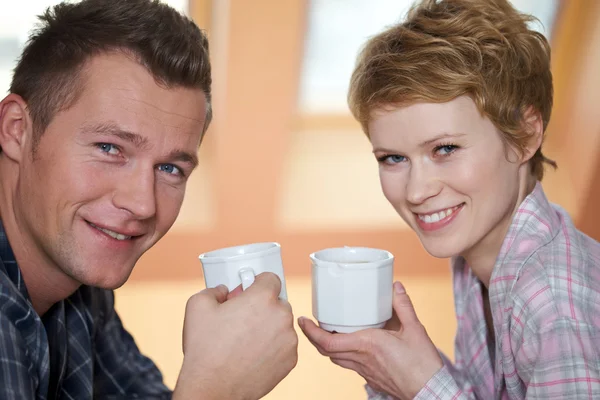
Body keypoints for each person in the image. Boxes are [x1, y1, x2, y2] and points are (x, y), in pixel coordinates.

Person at [299, 0, 600, 398]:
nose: (417, 191)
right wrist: (394, 361)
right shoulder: (486, 259)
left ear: (525, 135)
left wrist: (420, 387)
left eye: (445, 149)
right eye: (393, 158)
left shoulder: (553, 303)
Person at [0, 0, 298, 398]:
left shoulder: (80, 274)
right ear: (16, 129)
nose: (143, 205)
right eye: (109, 148)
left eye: (170, 169)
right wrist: (215, 390)